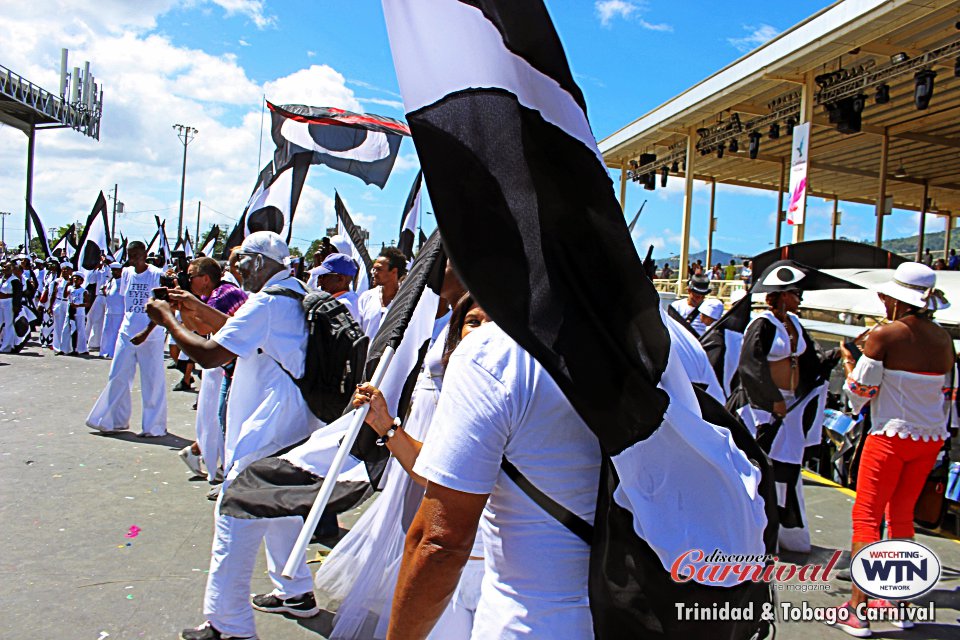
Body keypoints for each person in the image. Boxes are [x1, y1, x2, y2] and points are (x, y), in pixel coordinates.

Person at [150, 232, 320, 640]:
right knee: (281, 507)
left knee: (235, 512)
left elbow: (211, 354)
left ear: (262, 263)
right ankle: (296, 591)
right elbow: (243, 336)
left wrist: (168, 319)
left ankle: (228, 625)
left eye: (243, 264)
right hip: (297, 422)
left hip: (268, 425)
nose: (238, 273)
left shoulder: (265, 303)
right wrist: (193, 308)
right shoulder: (297, 296)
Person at [388, 318, 601, 639]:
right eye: (471, 320)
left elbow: (440, 541)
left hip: (528, 617)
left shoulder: (494, 354)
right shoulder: (669, 344)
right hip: (627, 604)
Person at [828, 262, 954, 637]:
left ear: (899, 300)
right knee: (901, 518)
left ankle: (857, 610)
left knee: (867, 517)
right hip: (929, 441)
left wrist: (851, 363)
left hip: (889, 438)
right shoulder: (944, 340)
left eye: (887, 296)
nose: (883, 300)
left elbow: (858, 396)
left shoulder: (884, 336)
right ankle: (900, 605)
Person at [727, 284, 837, 553]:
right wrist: (771, 399)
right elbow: (750, 366)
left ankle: (783, 532)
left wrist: (836, 356)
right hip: (761, 410)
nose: (799, 298)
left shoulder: (796, 324)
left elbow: (811, 360)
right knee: (759, 469)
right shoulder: (761, 325)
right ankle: (754, 531)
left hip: (789, 411)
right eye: (795, 294)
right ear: (782, 295)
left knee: (786, 472)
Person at [169, 257, 248, 490]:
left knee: (226, 423)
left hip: (237, 369)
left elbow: (204, 328)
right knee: (222, 420)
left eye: (191, 276)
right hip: (227, 367)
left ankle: (230, 480)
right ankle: (226, 477)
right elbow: (195, 326)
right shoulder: (211, 296)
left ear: (205, 278)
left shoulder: (225, 295)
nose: (188, 279)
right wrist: (182, 306)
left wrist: (179, 311)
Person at [85, 241, 167, 437]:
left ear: (145, 254)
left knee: (152, 380)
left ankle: (153, 426)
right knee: (117, 375)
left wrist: (146, 332)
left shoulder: (157, 274)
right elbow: (127, 303)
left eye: (137, 254)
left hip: (151, 335)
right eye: (130, 255)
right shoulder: (126, 273)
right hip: (127, 331)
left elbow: (161, 307)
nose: (133, 259)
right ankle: (115, 420)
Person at [357, 247, 406, 340]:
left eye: (379, 269)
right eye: (373, 269)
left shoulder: (406, 300)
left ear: (394, 272)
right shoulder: (366, 297)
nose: (374, 273)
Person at [313, 253, 360, 321]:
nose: (320, 280)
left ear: (340, 278)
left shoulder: (342, 305)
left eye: (323, 276)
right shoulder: (352, 298)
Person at [85, 255, 111, 353]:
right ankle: (93, 343)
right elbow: (91, 280)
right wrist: (96, 267)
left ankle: (103, 343)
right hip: (99, 296)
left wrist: (107, 264)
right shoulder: (99, 272)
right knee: (94, 319)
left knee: (106, 321)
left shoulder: (110, 270)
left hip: (109, 297)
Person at [99, 262, 124, 359]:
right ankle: (104, 352)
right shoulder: (111, 281)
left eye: (116, 270)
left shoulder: (123, 282)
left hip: (119, 311)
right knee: (106, 331)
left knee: (115, 332)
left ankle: (113, 353)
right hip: (109, 310)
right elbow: (108, 294)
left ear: (120, 271)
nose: (114, 272)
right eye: (112, 270)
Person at [51, 263, 74, 355]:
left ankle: (67, 347)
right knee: (58, 326)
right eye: (63, 269)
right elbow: (53, 293)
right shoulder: (57, 281)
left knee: (67, 326)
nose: (65, 271)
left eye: (67, 269)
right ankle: (57, 347)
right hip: (58, 302)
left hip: (68, 303)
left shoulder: (73, 281)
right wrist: (50, 306)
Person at [67, 272, 90, 355]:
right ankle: (71, 348)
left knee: (80, 330)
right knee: (71, 329)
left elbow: (87, 303)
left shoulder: (84, 291)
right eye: (74, 279)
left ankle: (82, 349)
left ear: (81, 281)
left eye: (77, 279)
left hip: (80, 312)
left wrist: (78, 305)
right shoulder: (70, 288)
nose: (75, 280)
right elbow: (64, 295)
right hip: (71, 311)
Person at [0, 261, 16, 353]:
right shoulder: (2, 278)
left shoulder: (14, 280)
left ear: (12, 269)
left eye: (7, 267)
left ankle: (7, 346)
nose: (4, 269)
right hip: (0, 302)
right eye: (4, 267)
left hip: (9, 302)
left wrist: (16, 306)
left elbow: (17, 294)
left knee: (8, 324)